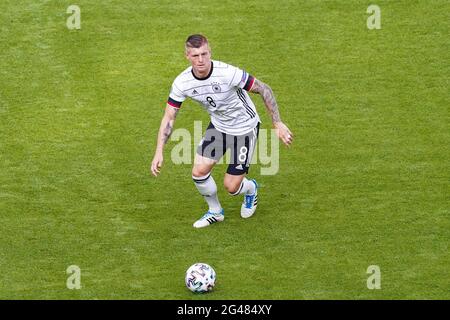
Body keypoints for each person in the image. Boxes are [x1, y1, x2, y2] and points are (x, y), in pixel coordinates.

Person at [151, 34, 293, 228]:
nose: (201, 60)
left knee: (232, 187)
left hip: (245, 128)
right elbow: (169, 117)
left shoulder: (228, 73)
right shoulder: (182, 83)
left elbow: (264, 89)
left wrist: (277, 122)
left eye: (204, 54)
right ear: (187, 56)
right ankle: (215, 212)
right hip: (219, 127)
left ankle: (251, 190)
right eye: (195, 55)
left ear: (210, 52)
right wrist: (159, 150)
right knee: (199, 172)